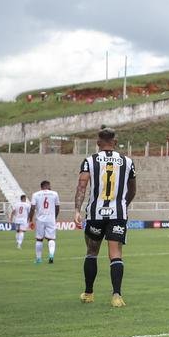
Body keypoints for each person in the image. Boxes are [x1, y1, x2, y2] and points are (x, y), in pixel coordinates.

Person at [74, 129, 137, 307]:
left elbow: (82, 185)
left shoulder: (90, 161)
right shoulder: (127, 162)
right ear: (115, 142)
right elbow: (132, 189)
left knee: (92, 252)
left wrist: (77, 210)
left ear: (98, 142)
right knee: (115, 254)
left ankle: (88, 293)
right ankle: (116, 295)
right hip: (118, 213)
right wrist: (124, 204)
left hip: (96, 214)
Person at [28, 180, 60, 264]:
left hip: (40, 219)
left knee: (39, 239)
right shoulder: (54, 194)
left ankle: (38, 259)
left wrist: (30, 220)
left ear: (41, 187)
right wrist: (54, 217)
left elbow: (32, 208)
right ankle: (51, 256)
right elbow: (57, 207)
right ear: (48, 186)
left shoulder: (36, 194)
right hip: (51, 219)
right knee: (51, 238)